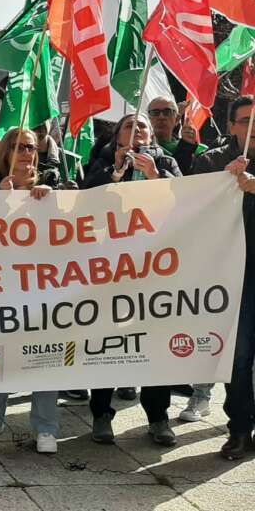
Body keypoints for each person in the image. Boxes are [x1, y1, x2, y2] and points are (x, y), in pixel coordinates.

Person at [82, 113, 182, 447]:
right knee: (107, 338)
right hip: (110, 267)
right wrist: (116, 171)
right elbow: (85, 199)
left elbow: (184, 199)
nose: (137, 129)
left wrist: (155, 174)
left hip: (154, 268)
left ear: (151, 134)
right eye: (129, 125)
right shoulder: (102, 160)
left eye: (142, 126)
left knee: (155, 341)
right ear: (117, 134)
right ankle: (101, 412)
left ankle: (158, 416)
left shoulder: (165, 160)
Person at [0, 128, 61, 454]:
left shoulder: (52, 184)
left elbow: (78, 215)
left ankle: (46, 427)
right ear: (5, 153)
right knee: (0, 353)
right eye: (19, 147)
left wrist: (54, 195)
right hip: (3, 289)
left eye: (31, 147)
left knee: (46, 356)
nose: (26, 153)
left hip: (44, 290)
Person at [192, 96, 255, 459]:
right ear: (231, 126)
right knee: (240, 355)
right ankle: (240, 429)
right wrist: (223, 181)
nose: (251, 127)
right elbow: (188, 205)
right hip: (232, 272)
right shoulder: (211, 161)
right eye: (244, 120)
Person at [148, 96, 207, 176]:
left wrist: (187, 146)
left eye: (167, 112)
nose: (161, 117)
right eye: (155, 113)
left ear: (177, 119)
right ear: (148, 119)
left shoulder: (198, 150)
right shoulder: (141, 147)